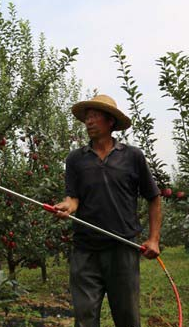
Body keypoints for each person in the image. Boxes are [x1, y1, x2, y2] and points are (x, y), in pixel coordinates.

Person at [53, 94, 162, 327]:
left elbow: (153, 197)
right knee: (84, 319)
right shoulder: (75, 159)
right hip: (85, 251)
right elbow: (73, 198)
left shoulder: (132, 157)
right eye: (86, 117)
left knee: (127, 318)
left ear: (110, 121)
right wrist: (67, 207)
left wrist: (153, 239)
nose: (89, 122)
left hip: (122, 248)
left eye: (95, 116)